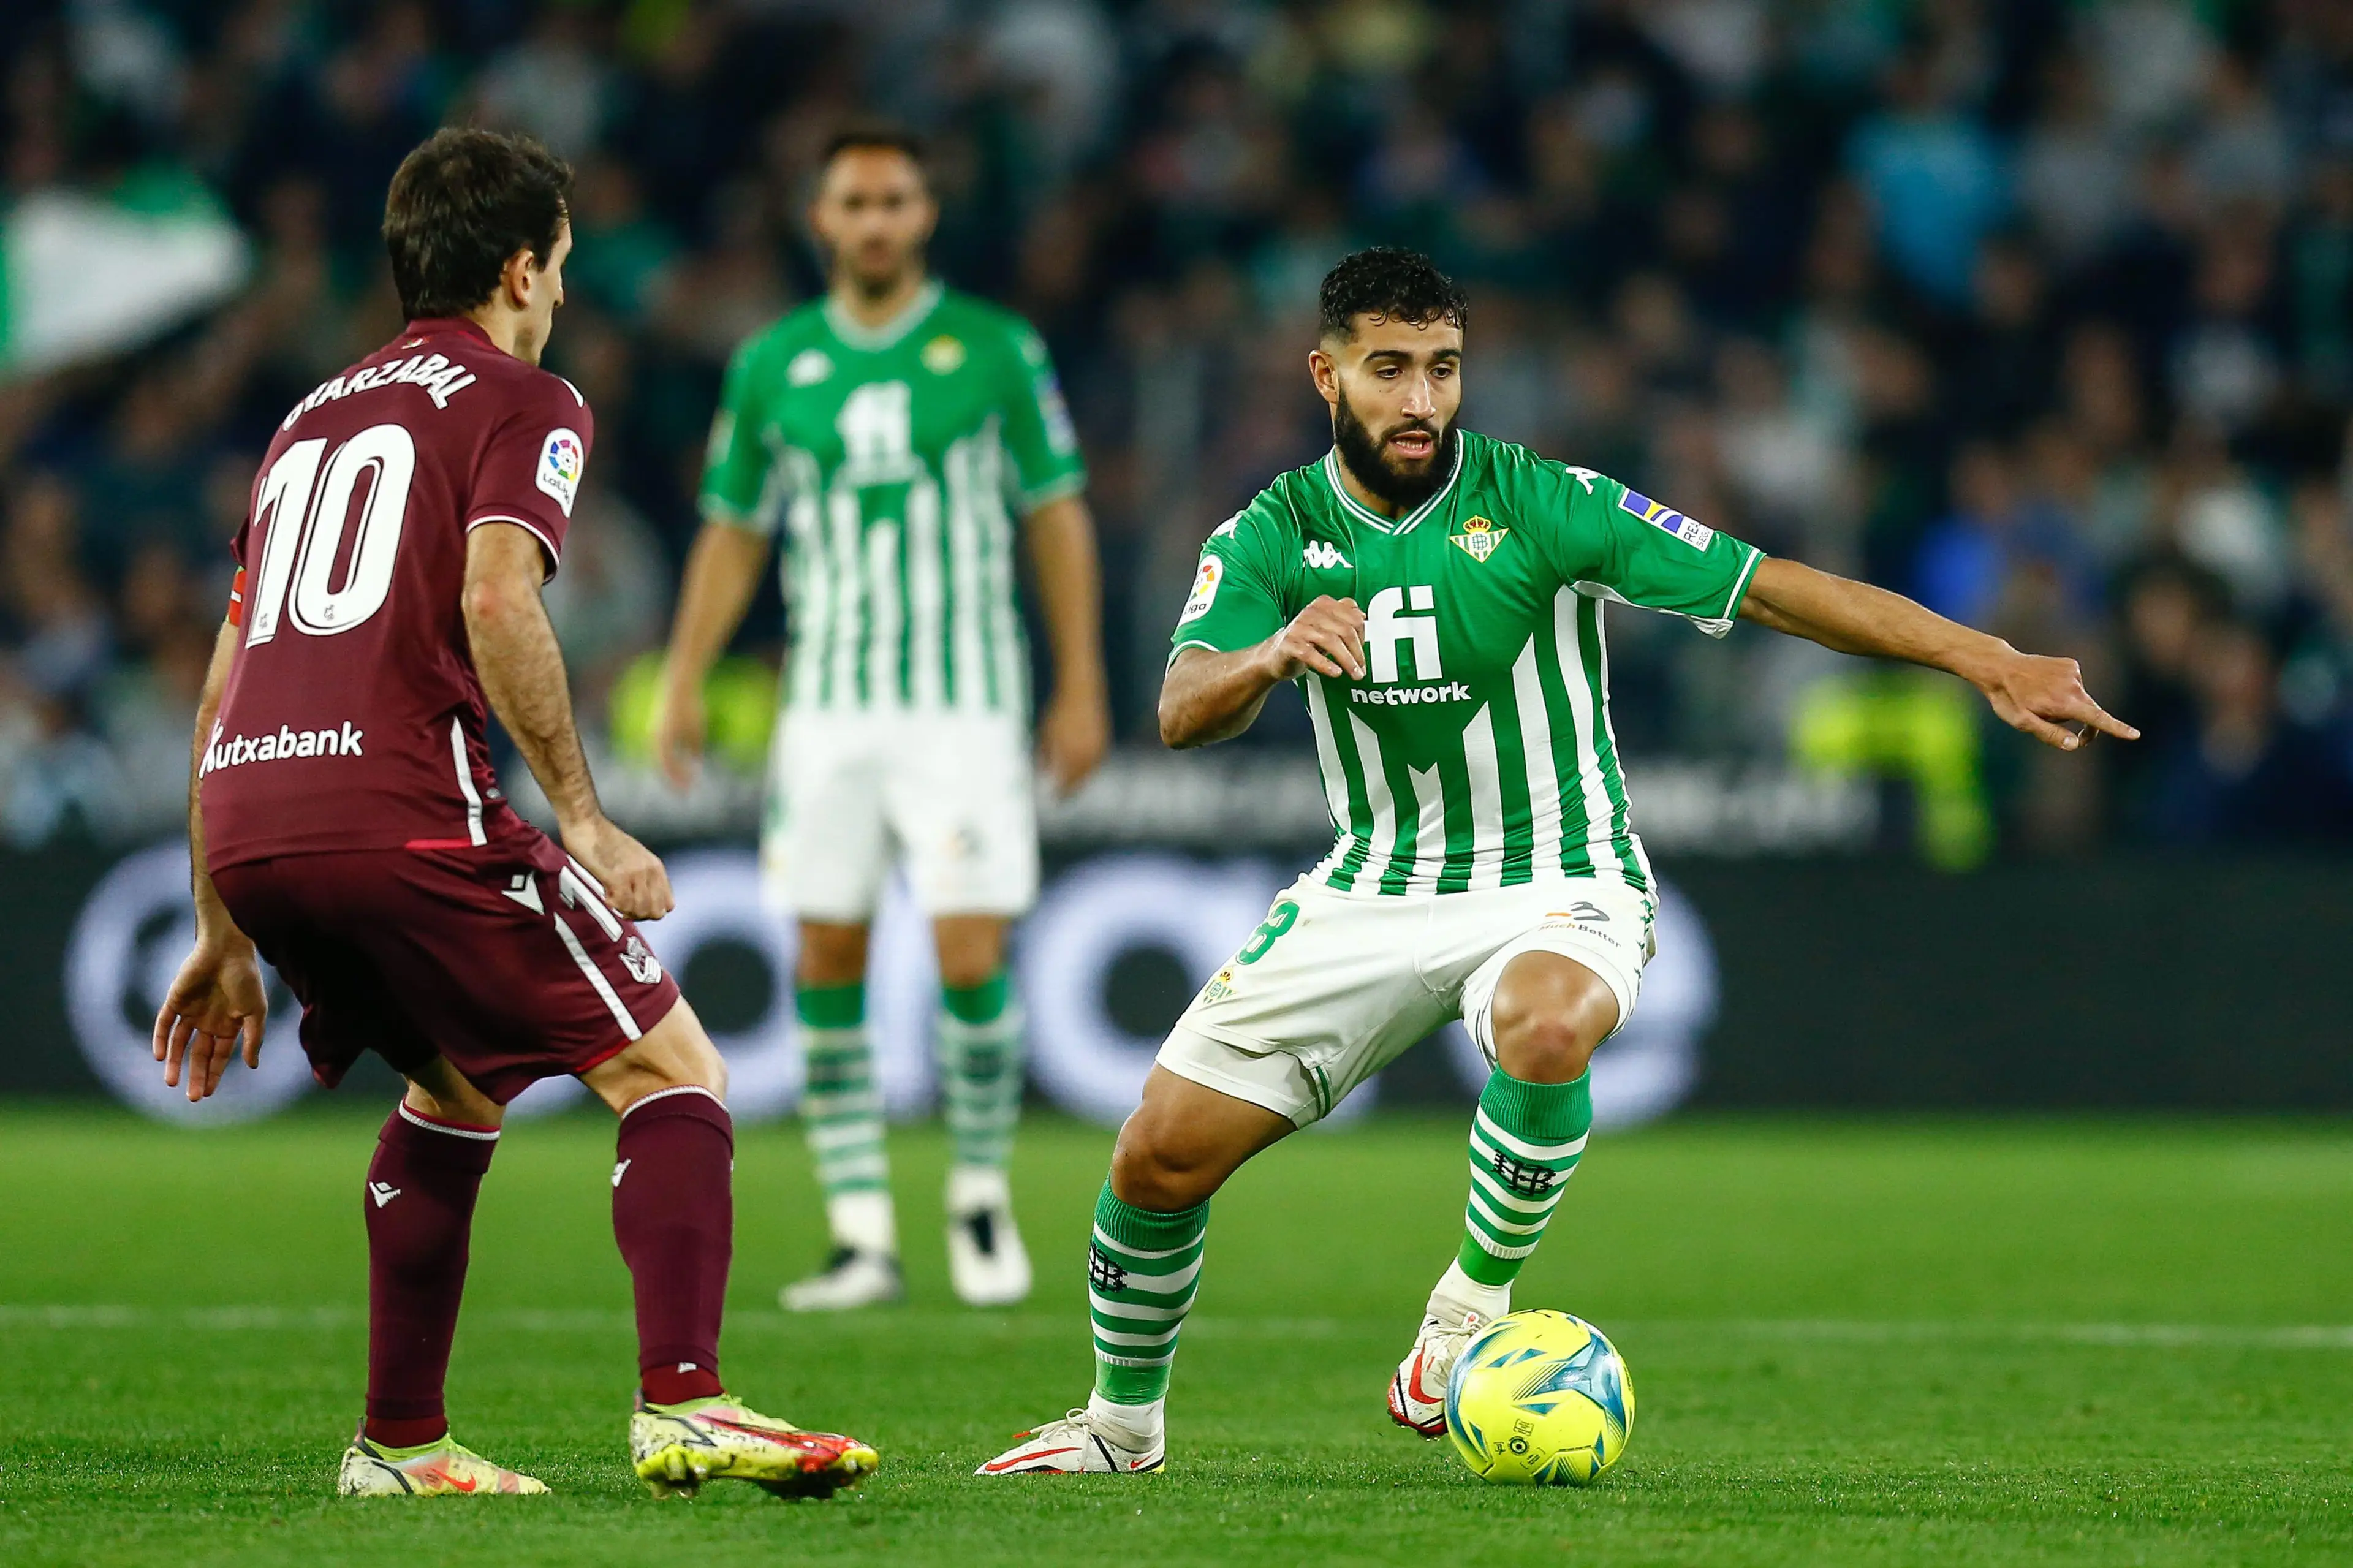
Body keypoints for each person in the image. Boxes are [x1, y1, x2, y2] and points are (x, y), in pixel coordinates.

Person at [978, 249, 2135, 1476]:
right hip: (1373, 880)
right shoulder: (1271, 531)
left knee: (1546, 1025)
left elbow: (1771, 589)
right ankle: (1120, 1428)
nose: (1422, 401)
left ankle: (1464, 1316)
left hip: (1559, 872)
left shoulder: (1543, 500)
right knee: (1156, 1155)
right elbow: (1178, 705)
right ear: (1327, 376)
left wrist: (1984, 657)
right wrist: (1270, 655)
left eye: (1442, 369)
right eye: (1389, 371)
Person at [148, 128, 878, 1502]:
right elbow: (497, 597)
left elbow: (219, 692)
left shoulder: (308, 419)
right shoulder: (521, 396)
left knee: (455, 1086)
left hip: (253, 808)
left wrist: (219, 920)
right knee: (675, 1075)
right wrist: (587, 823)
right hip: (400, 808)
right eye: (563, 264)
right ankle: (690, 1402)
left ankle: (401, 1444)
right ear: (524, 265)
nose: (562, 291)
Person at [654, 126, 1110, 1312]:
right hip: (829, 708)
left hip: (965, 701)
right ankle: (861, 1232)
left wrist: (1082, 681)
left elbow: (1056, 516)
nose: (873, 221)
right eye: (853, 201)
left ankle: (977, 1194)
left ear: (925, 216)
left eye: (894, 200)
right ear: (819, 217)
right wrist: (690, 673)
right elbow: (734, 529)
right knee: (826, 953)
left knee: (971, 952)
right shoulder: (772, 364)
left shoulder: (998, 351)